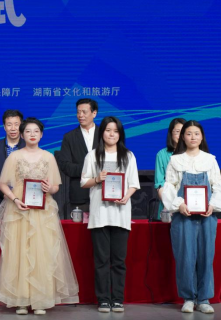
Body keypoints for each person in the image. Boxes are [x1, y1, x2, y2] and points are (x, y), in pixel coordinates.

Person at [0, 117, 79, 315]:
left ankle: (40, 300)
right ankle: (21, 300)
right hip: (19, 209)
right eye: (28, 131)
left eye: (36, 131)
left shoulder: (49, 157)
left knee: (42, 252)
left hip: (42, 211)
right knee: (19, 252)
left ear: (41, 134)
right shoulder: (14, 157)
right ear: (22, 135)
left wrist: (50, 188)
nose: (32, 134)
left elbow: (55, 187)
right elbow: (2, 184)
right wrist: (15, 199)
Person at [161, 120, 221, 314]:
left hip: (207, 216)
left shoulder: (210, 160)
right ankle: (188, 298)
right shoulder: (176, 160)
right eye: (188, 133)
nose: (192, 137)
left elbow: (217, 186)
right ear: (183, 137)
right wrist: (178, 205)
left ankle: (204, 299)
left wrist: (213, 205)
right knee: (185, 257)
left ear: (202, 136)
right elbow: (169, 187)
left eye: (196, 133)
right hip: (183, 217)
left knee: (206, 256)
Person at [80, 116, 140, 313]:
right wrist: (97, 179)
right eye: (108, 130)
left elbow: (133, 183)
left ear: (120, 134)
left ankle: (118, 299)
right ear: (102, 133)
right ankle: (104, 300)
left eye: (115, 131)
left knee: (119, 261)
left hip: (121, 214)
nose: (111, 134)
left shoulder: (128, 155)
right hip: (99, 215)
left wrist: (126, 196)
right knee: (101, 261)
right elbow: (84, 182)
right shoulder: (92, 155)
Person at [57, 98, 100, 213]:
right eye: (78, 112)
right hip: (79, 195)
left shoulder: (105, 134)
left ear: (94, 113)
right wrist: (90, 169)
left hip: (103, 193)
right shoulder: (69, 137)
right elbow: (65, 166)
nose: (80, 115)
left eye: (84, 112)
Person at [0, 109, 26, 209]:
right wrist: (4, 193)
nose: (13, 128)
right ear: (4, 127)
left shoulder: (28, 146)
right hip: (0, 199)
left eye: (16, 124)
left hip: (24, 199)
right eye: (9, 125)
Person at [154, 118, 186, 217]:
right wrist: (169, 205)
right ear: (171, 133)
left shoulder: (193, 153)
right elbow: (159, 184)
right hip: (168, 206)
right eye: (177, 132)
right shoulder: (162, 154)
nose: (180, 135)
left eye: (183, 132)